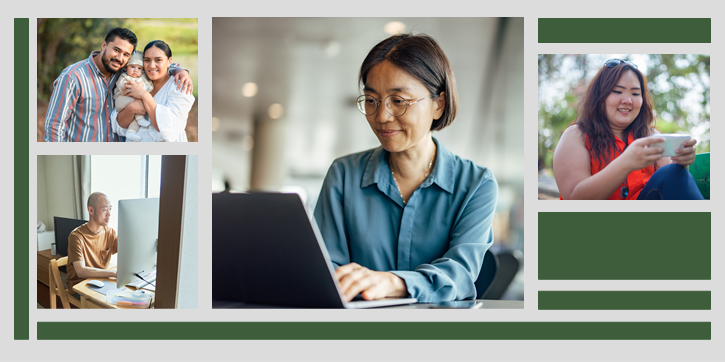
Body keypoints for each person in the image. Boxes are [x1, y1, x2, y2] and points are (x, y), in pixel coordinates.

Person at [313, 34, 498, 303]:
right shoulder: (343, 175)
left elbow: (459, 275)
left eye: (398, 101)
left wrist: (392, 282)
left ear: (439, 104)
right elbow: (326, 269)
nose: (382, 116)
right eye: (372, 100)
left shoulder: (476, 184)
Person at [553, 58, 703, 200]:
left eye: (635, 93)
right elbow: (573, 200)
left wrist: (682, 163)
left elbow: (671, 184)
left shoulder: (651, 136)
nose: (628, 101)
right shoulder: (576, 136)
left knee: (671, 172)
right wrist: (626, 163)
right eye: (617, 91)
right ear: (600, 96)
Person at [43, 28, 194, 142]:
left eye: (126, 54)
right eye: (116, 50)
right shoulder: (73, 77)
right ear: (104, 46)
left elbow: (155, 66)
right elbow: (54, 126)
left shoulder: (123, 71)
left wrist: (180, 70)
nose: (120, 58)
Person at [112, 40, 195, 142]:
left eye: (158, 60)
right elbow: (119, 125)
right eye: (147, 60)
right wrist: (130, 108)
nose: (151, 65)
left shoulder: (180, 87)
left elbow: (168, 130)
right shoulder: (136, 80)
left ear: (169, 61)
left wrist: (144, 95)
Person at [65, 192, 117, 293]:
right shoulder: (76, 236)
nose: (109, 214)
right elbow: (81, 271)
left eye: (110, 209)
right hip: (80, 285)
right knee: (109, 306)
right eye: (105, 209)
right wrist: (112, 273)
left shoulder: (110, 232)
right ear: (91, 210)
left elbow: (127, 250)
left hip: (101, 281)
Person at [113, 50, 153, 142]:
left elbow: (149, 86)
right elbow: (123, 87)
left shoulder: (142, 78)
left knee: (135, 117)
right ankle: (140, 118)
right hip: (122, 100)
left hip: (133, 102)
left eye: (139, 68)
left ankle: (131, 132)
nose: (136, 70)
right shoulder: (124, 77)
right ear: (126, 68)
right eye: (132, 67)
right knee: (139, 105)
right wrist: (136, 88)